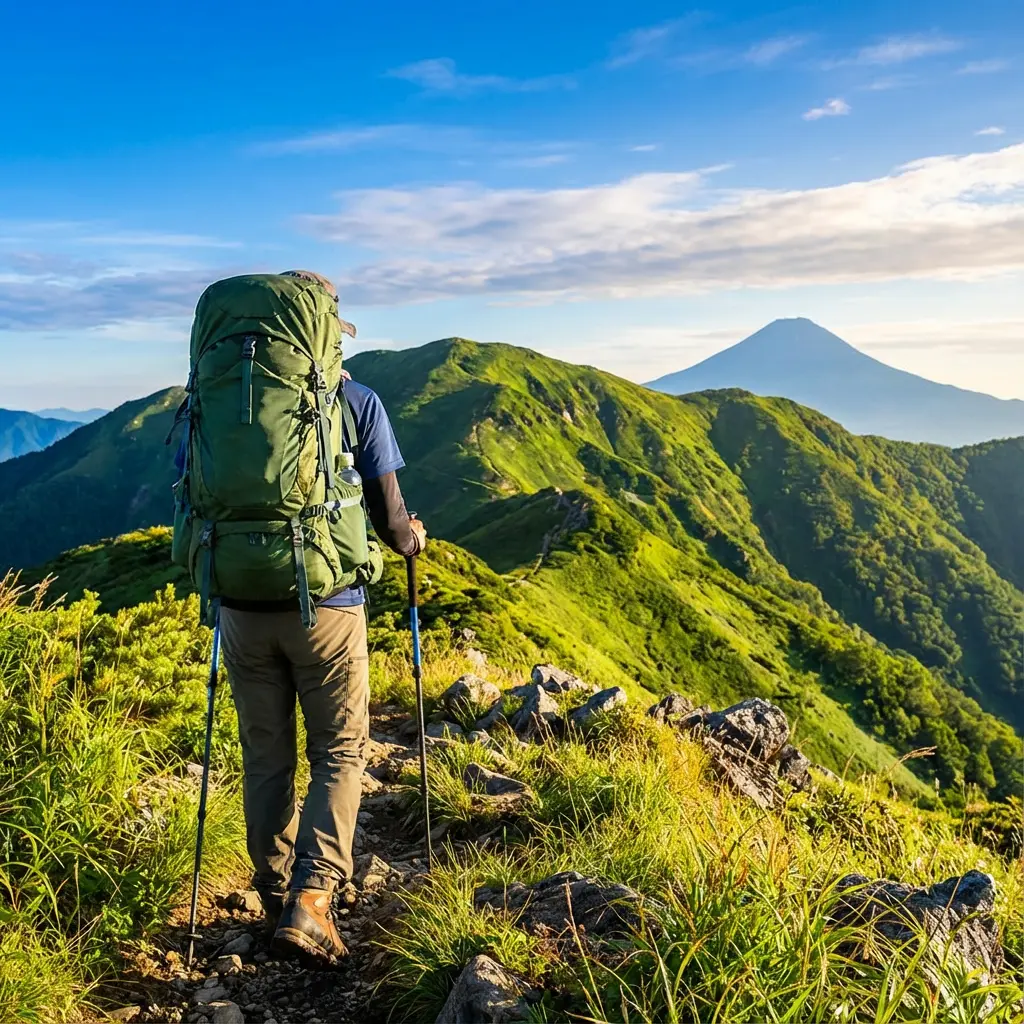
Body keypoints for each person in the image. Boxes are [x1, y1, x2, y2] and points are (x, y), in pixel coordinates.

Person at [180, 270, 426, 964]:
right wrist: (413, 539)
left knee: (266, 755)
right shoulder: (356, 401)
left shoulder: (213, 400)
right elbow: (391, 521)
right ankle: (313, 900)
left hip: (238, 604)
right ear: (325, 333)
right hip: (327, 608)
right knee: (340, 751)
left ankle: (272, 888)